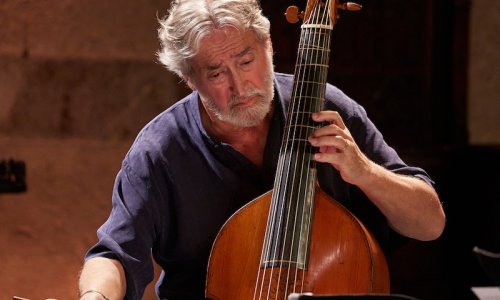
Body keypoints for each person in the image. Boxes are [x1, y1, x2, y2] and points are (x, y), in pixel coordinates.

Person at [78, 0, 446, 299]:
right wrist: (95, 297)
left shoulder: (326, 109)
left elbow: (429, 225)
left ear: (268, 46)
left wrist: (366, 172)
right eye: (216, 73)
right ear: (190, 80)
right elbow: (115, 254)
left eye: (246, 61)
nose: (240, 86)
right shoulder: (160, 151)